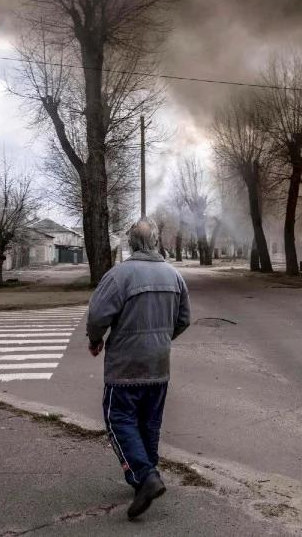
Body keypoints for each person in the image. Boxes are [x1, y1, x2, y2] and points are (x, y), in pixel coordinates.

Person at [87, 219, 191, 520]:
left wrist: (96, 340)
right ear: (156, 242)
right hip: (159, 365)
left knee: (118, 418)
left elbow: (97, 315)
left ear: (131, 243)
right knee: (149, 421)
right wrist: (160, 339)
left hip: (126, 366)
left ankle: (145, 476)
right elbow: (184, 318)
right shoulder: (174, 276)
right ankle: (146, 475)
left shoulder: (120, 275)